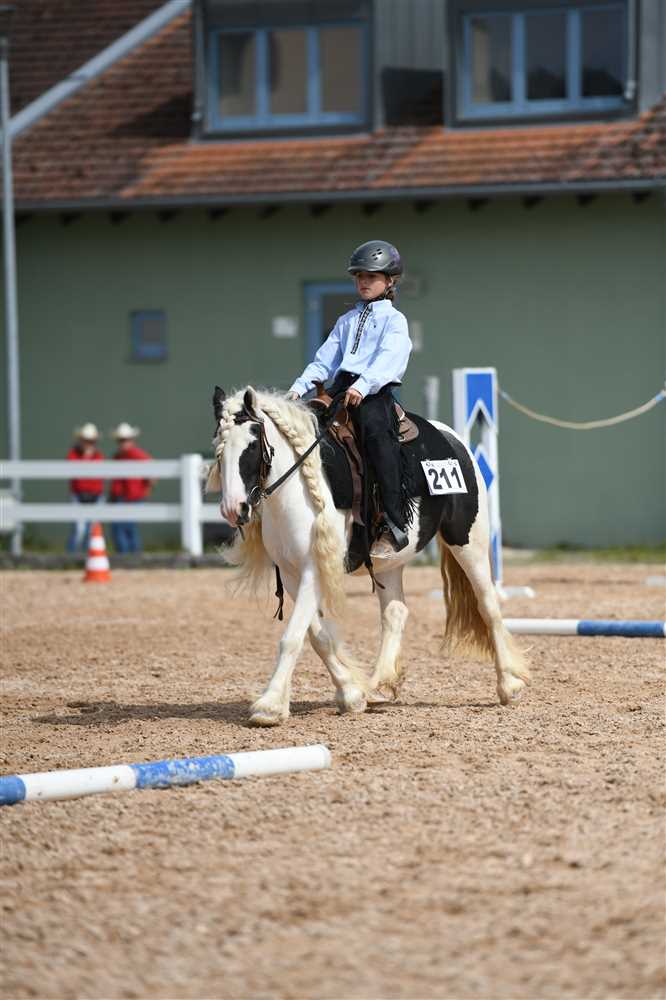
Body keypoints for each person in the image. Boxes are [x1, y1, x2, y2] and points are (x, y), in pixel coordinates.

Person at [288, 240, 412, 557]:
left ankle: (393, 524)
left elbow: (390, 358)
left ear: (390, 280)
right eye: (359, 276)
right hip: (341, 388)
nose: (363, 282)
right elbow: (324, 361)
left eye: (371, 276)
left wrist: (364, 384)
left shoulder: (394, 320)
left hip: (373, 393)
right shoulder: (346, 321)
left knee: (378, 438)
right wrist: (299, 388)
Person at [109, 423, 152, 553]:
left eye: (125, 440)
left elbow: (152, 472)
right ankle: (125, 554)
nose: (123, 443)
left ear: (131, 440)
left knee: (127, 526)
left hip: (133, 497)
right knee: (118, 527)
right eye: (120, 440)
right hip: (119, 497)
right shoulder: (117, 456)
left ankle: (132, 554)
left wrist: (145, 490)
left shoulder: (137, 454)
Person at [66, 423, 104, 553]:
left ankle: (88, 557)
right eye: (86, 440)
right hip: (78, 495)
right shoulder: (73, 454)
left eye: (91, 441)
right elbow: (74, 470)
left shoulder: (98, 456)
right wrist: (86, 457)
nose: (88, 444)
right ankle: (71, 557)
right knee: (79, 529)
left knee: (92, 530)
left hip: (95, 496)